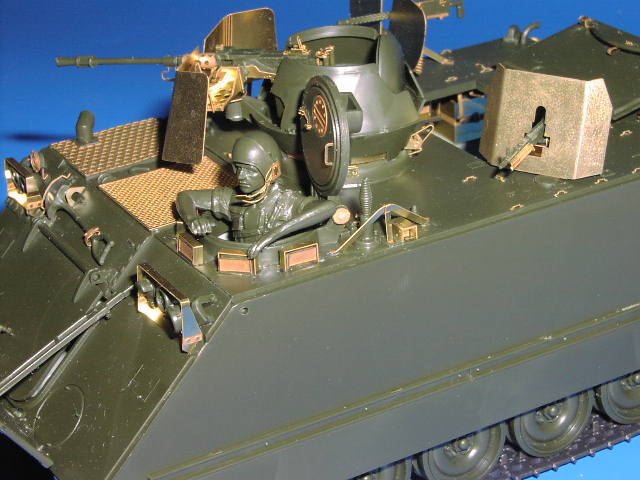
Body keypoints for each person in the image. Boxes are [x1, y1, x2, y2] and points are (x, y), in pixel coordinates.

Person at [176, 131, 338, 258]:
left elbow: (328, 207)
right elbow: (185, 196)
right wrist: (192, 218)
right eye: (239, 168)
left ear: (272, 171)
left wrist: (271, 236)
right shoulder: (233, 199)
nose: (241, 176)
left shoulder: (287, 200)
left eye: (250, 171)